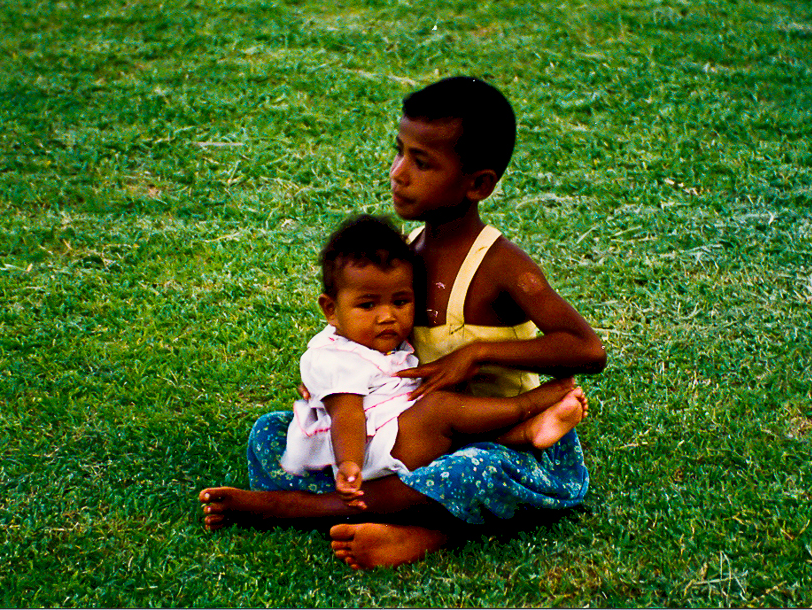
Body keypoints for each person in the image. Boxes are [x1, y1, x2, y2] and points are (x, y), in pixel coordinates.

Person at [199, 76, 606, 570]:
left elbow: (587, 350)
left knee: (474, 473)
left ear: (477, 183)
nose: (397, 173)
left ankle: (391, 528)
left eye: (421, 162)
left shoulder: (501, 266)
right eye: (399, 153)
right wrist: (332, 389)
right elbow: (368, 341)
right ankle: (403, 511)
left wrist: (476, 353)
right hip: (404, 431)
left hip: (501, 435)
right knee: (271, 435)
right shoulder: (406, 252)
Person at [280, 213, 587, 509]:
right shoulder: (336, 359)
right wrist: (349, 465)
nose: (387, 317)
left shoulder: (382, 339)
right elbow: (347, 416)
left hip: (404, 433)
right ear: (330, 310)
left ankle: (527, 433)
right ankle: (529, 406)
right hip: (370, 450)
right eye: (367, 305)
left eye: (401, 302)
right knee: (440, 409)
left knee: (449, 422)